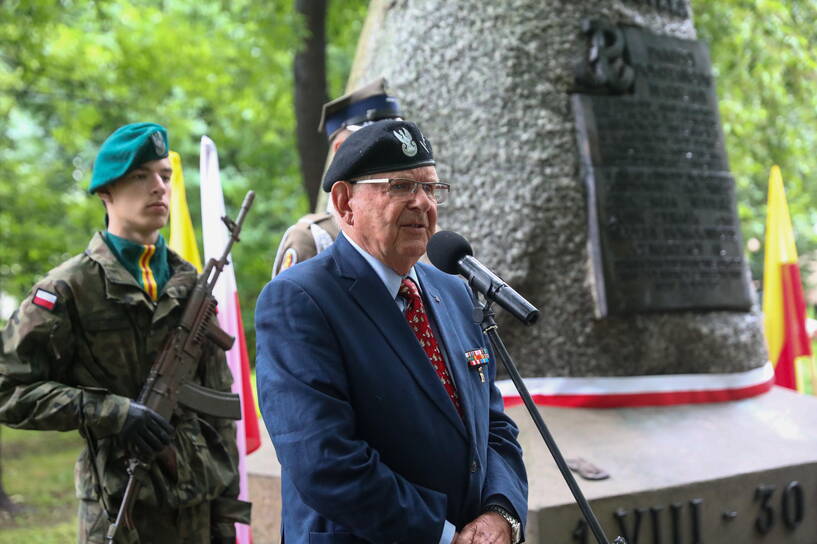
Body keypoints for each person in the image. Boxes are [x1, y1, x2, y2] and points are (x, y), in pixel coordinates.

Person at [256, 120, 527, 543]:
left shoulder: (454, 291)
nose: (422, 202)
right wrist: (441, 535)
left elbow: (493, 427)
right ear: (345, 202)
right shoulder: (300, 299)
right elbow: (324, 460)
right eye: (400, 186)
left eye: (431, 188)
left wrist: (500, 514)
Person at [0, 123, 250, 543]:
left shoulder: (190, 283)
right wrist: (112, 413)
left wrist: (224, 517)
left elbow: (217, 406)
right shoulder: (69, 288)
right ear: (106, 192)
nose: (159, 187)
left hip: (196, 512)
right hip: (120, 511)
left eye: (165, 176)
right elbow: (8, 389)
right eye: (141, 176)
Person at [271, 77, 403, 277]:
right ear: (340, 149)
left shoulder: (417, 229)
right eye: (376, 146)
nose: (392, 155)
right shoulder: (313, 239)